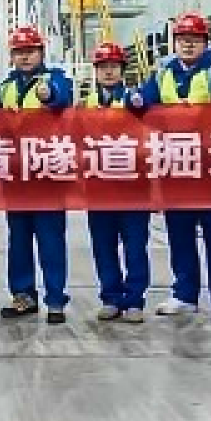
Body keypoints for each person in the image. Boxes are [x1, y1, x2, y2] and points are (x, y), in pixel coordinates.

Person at [134, 12, 211, 324]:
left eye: (194, 40)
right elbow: (143, 99)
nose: (188, 45)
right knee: (180, 236)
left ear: (205, 43)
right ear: (175, 43)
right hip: (178, 168)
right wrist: (135, 99)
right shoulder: (164, 75)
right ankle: (185, 295)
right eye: (183, 40)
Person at [0, 26, 76, 324]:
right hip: (16, 177)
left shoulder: (55, 78)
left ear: (41, 53)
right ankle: (23, 295)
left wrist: (48, 95)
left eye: (30, 51)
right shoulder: (5, 88)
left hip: (47, 175)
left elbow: (62, 96)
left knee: (50, 240)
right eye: (19, 52)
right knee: (18, 241)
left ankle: (55, 299)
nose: (25, 57)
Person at [85, 41, 151, 323]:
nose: (109, 72)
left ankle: (134, 299)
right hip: (99, 189)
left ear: (123, 70)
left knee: (135, 247)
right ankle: (111, 297)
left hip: (133, 189)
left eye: (113, 66)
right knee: (104, 246)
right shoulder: (86, 105)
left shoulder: (136, 100)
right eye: (103, 67)